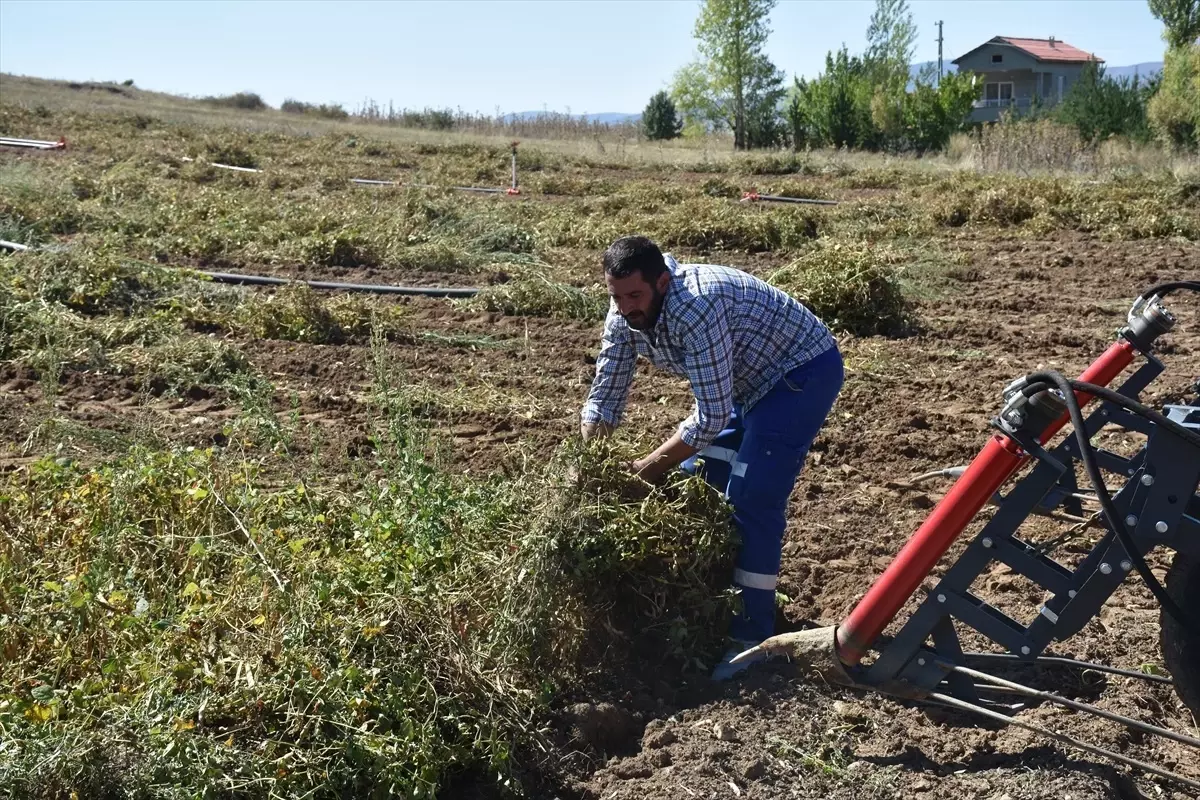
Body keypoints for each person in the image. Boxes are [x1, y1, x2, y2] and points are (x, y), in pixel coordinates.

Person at [580, 235, 843, 680]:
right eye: (616, 296)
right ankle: (709, 609)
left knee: (751, 497)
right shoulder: (622, 313)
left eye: (635, 295)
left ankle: (750, 641)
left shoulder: (696, 305)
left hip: (799, 373)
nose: (626, 307)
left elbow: (710, 416)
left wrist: (645, 468)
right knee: (695, 479)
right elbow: (605, 395)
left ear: (662, 282)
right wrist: (592, 463)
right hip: (745, 381)